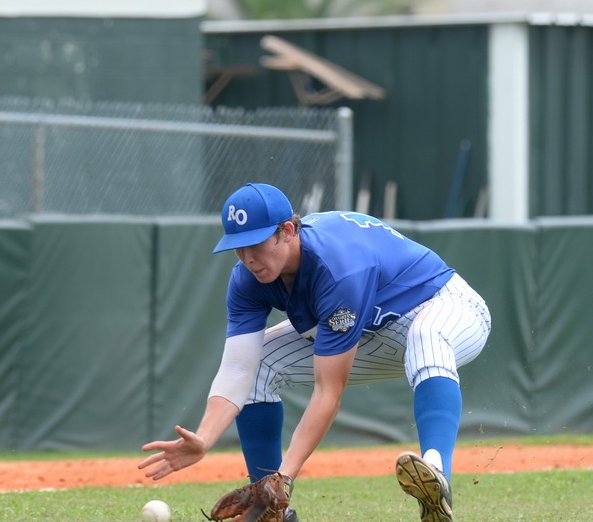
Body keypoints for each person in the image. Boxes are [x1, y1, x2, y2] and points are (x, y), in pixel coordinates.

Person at [139, 183, 490, 522]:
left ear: (287, 230)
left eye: (256, 244)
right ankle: (269, 509)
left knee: (426, 338)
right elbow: (237, 369)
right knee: (261, 365)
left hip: (445, 306)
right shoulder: (247, 279)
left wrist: (286, 477)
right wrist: (205, 438)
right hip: (368, 327)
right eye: (238, 247)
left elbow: (328, 392)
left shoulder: (338, 268)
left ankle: (436, 474)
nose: (248, 258)